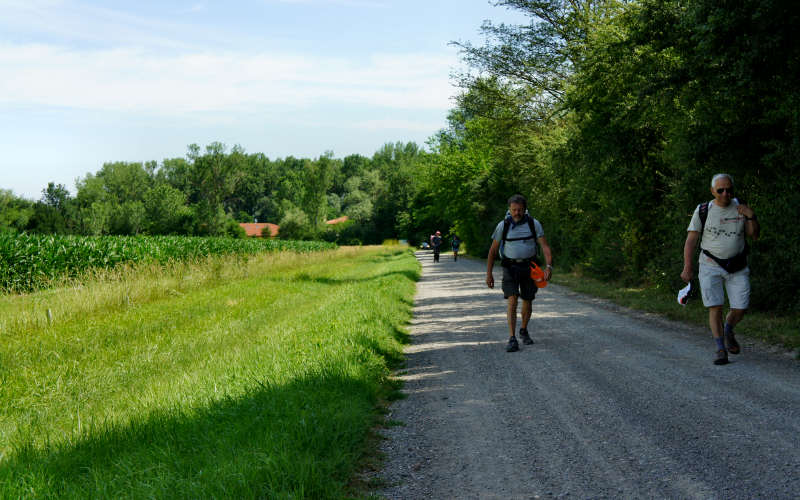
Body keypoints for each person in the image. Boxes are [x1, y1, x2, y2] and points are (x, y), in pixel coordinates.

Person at [681, 173, 760, 365]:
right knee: (715, 306)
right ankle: (720, 348)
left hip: (738, 266)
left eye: (729, 189)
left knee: (740, 308)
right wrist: (688, 267)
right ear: (712, 191)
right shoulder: (703, 210)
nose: (725, 193)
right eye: (721, 190)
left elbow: (754, 235)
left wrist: (751, 216)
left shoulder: (740, 206)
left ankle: (728, 329)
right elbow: (691, 240)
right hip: (710, 265)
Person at [486, 194, 553, 352]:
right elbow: (493, 251)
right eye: (514, 209)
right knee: (512, 300)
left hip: (530, 267)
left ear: (525, 209)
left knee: (528, 300)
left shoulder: (533, 224)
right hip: (510, 267)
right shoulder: (503, 225)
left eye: (520, 210)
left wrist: (549, 266)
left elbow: (544, 246)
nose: (517, 213)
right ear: (509, 209)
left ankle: (523, 329)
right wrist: (489, 274)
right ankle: (512, 338)